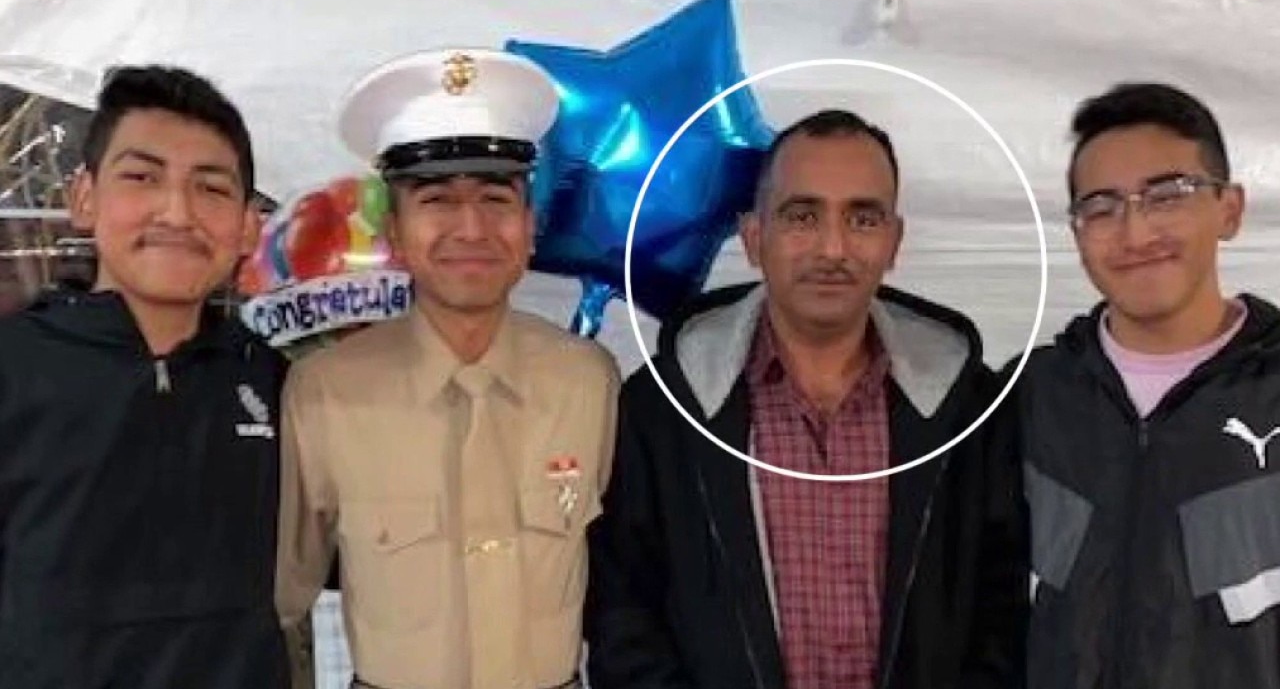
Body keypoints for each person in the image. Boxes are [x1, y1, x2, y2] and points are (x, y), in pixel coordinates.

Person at [585, 109, 1027, 689]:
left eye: (863, 218)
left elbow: (1002, 610)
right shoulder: (662, 409)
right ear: (753, 238)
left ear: (894, 241)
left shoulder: (969, 408)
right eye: (802, 216)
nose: (833, 247)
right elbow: (624, 617)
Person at [275, 48, 620, 689]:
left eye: (496, 198)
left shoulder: (588, 382)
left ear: (530, 226)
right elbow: (280, 602)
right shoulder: (325, 394)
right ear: (395, 232)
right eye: (436, 199)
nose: (471, 227)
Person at [0, 65, 288, 688]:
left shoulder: (277, 383)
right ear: (84, 198)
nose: (177, 212)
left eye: (211, 188)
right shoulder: (15, 367)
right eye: (142, 177)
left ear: (247, 226)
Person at [1009, 82, 1280, 689]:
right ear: (1077, 232)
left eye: (1167, 195)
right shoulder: (1028, 398)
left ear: (1230, 209)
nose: (1134, 233)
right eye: (1101, 207)